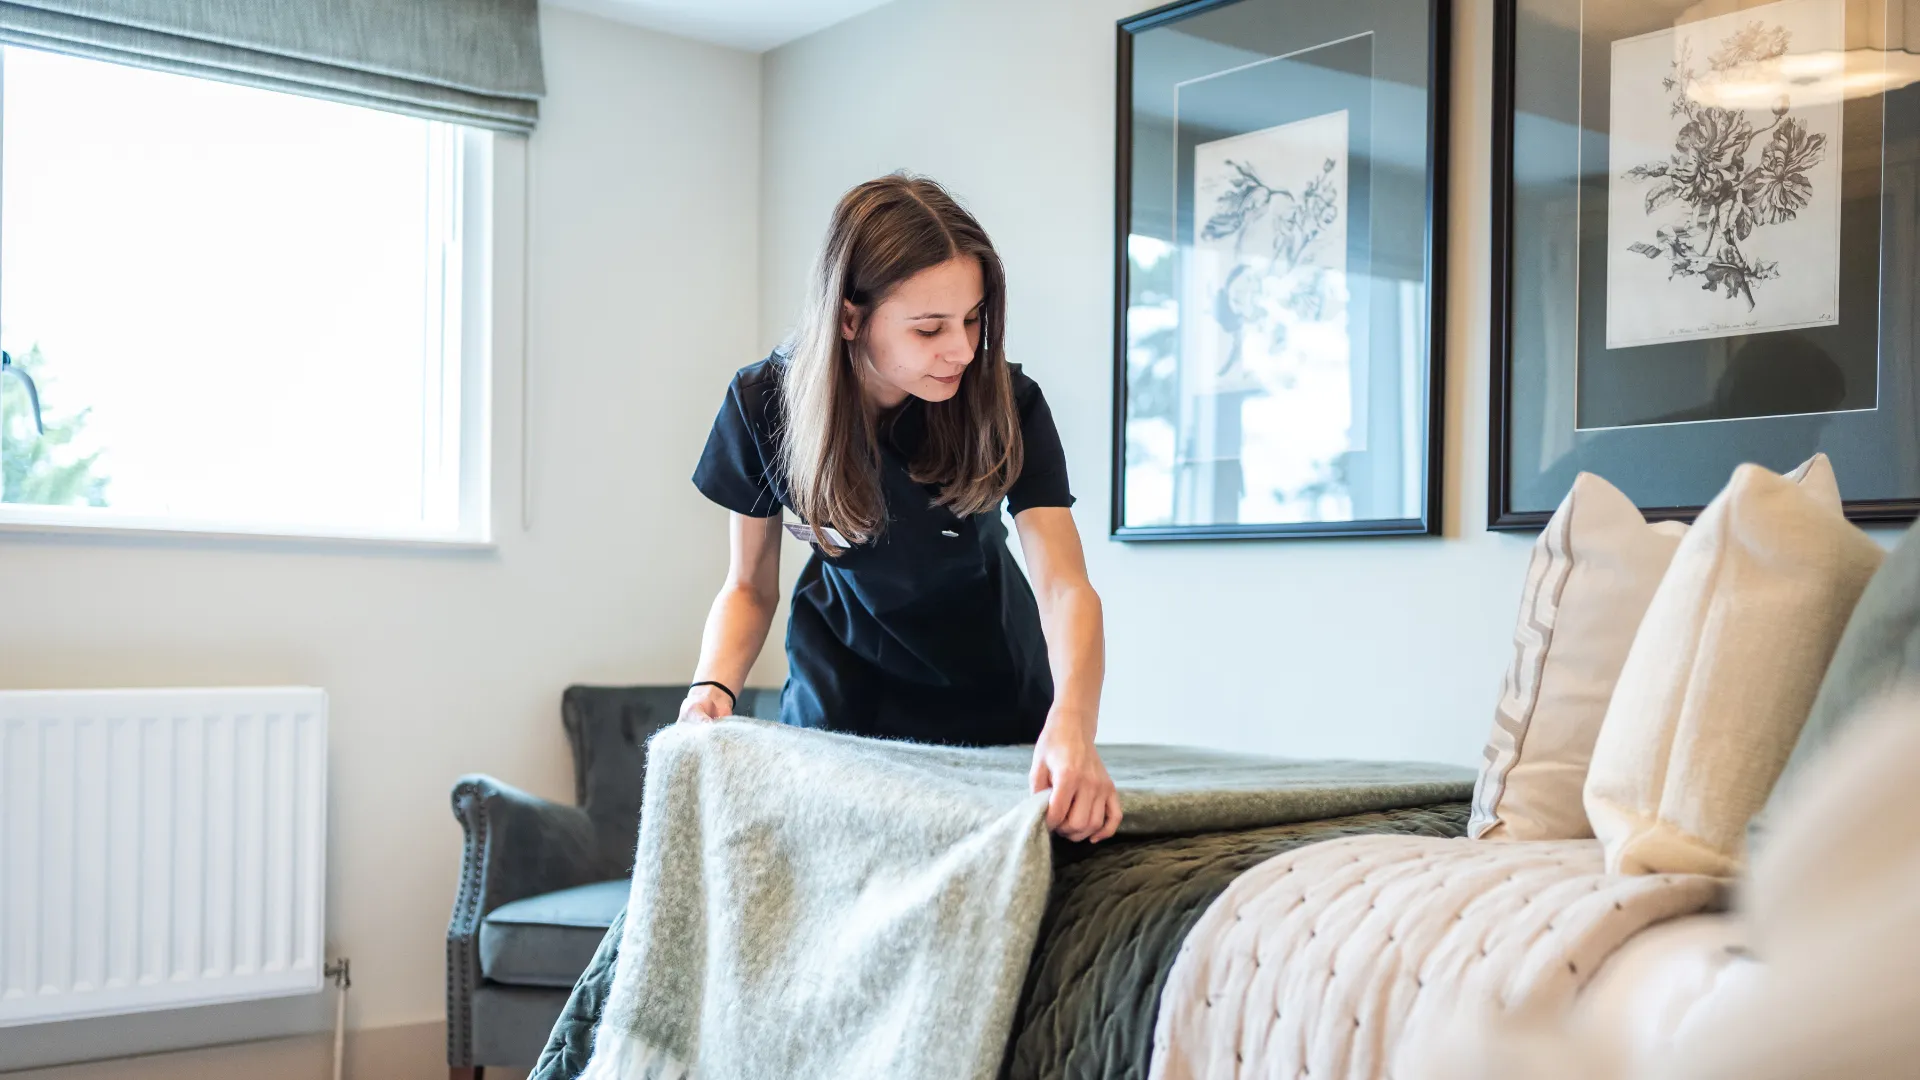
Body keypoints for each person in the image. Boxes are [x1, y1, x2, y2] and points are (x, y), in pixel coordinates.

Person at [679, 173, 1120, 844]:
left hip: (992, 684)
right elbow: (747, 586)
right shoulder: (763, 403)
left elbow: (1064, 587)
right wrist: (712, 690)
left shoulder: (1005, 400)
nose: (963, 350)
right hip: (841, 688)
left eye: (973, 320)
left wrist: (1074, 722)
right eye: (929, 328)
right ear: (850, 317)